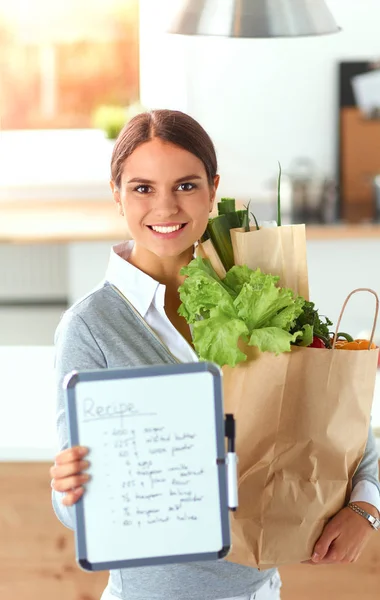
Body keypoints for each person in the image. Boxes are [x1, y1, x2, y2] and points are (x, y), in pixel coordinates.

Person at [50, 109, 380, 600]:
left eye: (185, 186)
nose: (165, 208)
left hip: (262, 589)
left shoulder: (262, 290)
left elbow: (338, 416)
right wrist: (68, 489)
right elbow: (81, 515)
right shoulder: (92, 327)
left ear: (212, 189)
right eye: (142, 188)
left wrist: (366, 507)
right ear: (116, 193)